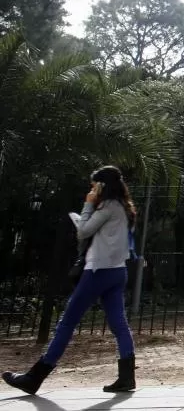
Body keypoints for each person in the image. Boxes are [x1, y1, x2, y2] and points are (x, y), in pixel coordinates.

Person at [3, 166, 137, 395]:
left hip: (98, 271)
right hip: (117, 271)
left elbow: (84, 231)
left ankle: (35, 377)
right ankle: (127, 377)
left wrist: (87, 204)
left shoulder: (107, 207)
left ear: (102, 185)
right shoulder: (125, 208)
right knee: (119, 324)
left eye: (94, 184)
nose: (92, 188)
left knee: (67, 322)